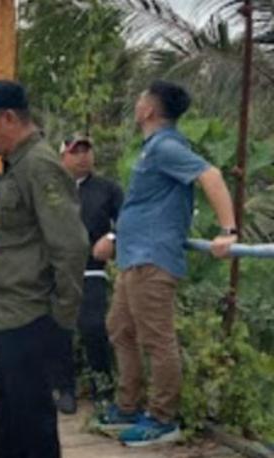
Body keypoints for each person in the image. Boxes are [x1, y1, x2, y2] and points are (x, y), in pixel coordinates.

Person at [97, 80, 237, 446]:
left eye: (140, 100)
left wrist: (228, 230)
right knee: (120, 328)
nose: (136, 105)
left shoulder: (166, 147)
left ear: (148, 110)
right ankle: (127, 406)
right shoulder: (153, 148)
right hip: (134, 256)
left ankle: (162, 418)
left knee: (156, 339)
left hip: (153, 258)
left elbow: (211, 175)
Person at [0, 81, 90, 458]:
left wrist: (60, 319)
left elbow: (70, 245)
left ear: (8, 118)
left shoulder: (39, 166)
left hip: (29, 320)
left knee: (32, 425)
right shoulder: (18, 165)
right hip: (7, 317)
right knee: (6, 417)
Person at [49, 134, 124, 415]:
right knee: (59, 330)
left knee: (94, 326)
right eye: (75, 152)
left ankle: (102, 387)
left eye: (86, 151)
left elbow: (127, 217)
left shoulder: (108, 189)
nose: (82, 157)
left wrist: (112, 237)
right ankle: (64, 388)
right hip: (56, 271)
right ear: (62, 158)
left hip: (91, 269)